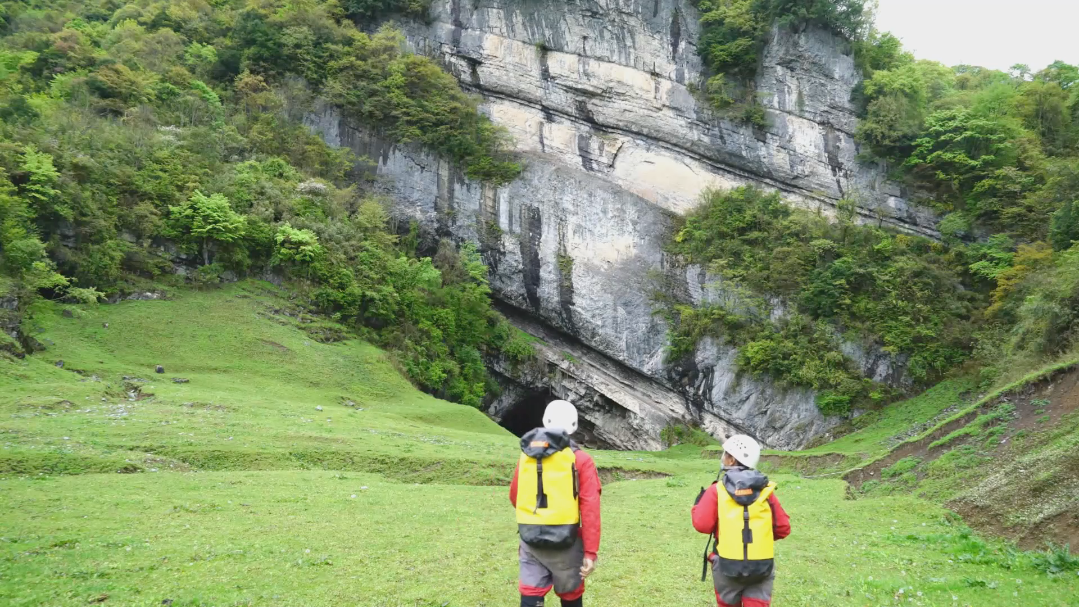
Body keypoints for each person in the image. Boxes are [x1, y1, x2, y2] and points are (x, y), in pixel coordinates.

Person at [509, 400, 602, 607]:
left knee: (531, 593)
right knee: (570, 595)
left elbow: (515, 496)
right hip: (567, 541)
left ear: (545, 421)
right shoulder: (582, 459)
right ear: (574, 426)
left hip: (530, 538)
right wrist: (590, 552)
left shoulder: (527, 456)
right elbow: (590, 509)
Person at [692, 434, 791, 607]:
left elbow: (702, 525)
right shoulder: (766, 490)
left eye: (725, 454)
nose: (722, 457)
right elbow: (783, 528)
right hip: (762, 566)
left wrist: (696, 506)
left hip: (726, 566)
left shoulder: (717, 490)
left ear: (731, 460)